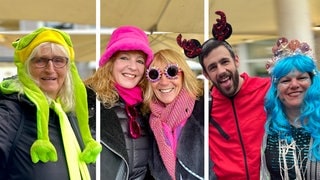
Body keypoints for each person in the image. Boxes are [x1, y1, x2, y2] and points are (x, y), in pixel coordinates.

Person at [177, 11, 271, 179]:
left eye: (224, 62)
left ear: (236, 60)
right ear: (206, 75)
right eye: (212, 67)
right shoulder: (203, 107)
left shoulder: (266, 89)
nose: (221, 71)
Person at [0, 27, 101, 180]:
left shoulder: (73, 114)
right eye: (40, 60)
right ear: (26, 67)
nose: (50, 69)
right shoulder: (10, 111)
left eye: (59, 60)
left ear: (68, 68)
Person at [84, 25, 154, 179]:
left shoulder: (149, 105)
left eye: (140, 61)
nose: (133, 67)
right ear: (111, 63)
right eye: (124, 58)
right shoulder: (88, 99)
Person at [144, 49, 215, 180]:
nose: (164, 82)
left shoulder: (208, 109)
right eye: (154, 74)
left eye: (171, 72)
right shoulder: (148, 123)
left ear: (184, 75)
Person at [260, 37, 320, 179]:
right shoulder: (269, 129)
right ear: (276, 89)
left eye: (301, 78)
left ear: (312, 82)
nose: (294, 85)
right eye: (285, 80)